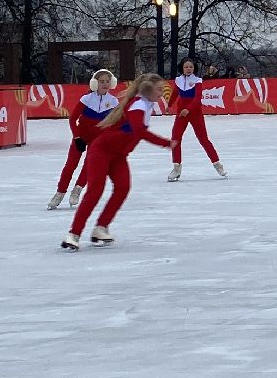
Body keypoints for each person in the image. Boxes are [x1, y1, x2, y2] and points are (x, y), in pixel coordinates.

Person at [64, 73, 173, 251]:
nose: (163, 92)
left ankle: (101, 227)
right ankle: (73, 234)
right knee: (95, 191)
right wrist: (167, 143)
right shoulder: (138, 105)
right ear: (148, 89)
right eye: (159, 89)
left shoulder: (146, 105)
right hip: (101, 151)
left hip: (118, 155)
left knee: (123, 188)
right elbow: (139, 131)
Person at [49, 69, 120, 210]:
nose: (105, 84)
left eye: (107, 81)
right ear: (95, 83)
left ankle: (77, 189)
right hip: (81, 137)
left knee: (89, 166)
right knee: (70, 165)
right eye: (101, 82)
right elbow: (72, 119)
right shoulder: (86, 99)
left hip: (98, 140)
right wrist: (77, 137)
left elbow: (116, 122)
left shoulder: (113, 102)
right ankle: (60, 192)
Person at [167, 58, 227, 183]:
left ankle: (217, 164)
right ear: (182, 68)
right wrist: (170, 104)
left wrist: (188, 109)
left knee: (203, 139)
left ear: (194, 68)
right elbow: (175, 93)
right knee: (175, 139)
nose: (188, 69)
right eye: (186, 67)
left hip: (195, 113)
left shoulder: (197, 81)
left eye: (191, 67)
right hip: (181, 114)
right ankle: (176, 167)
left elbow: (197, 98)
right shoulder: (178, 80)